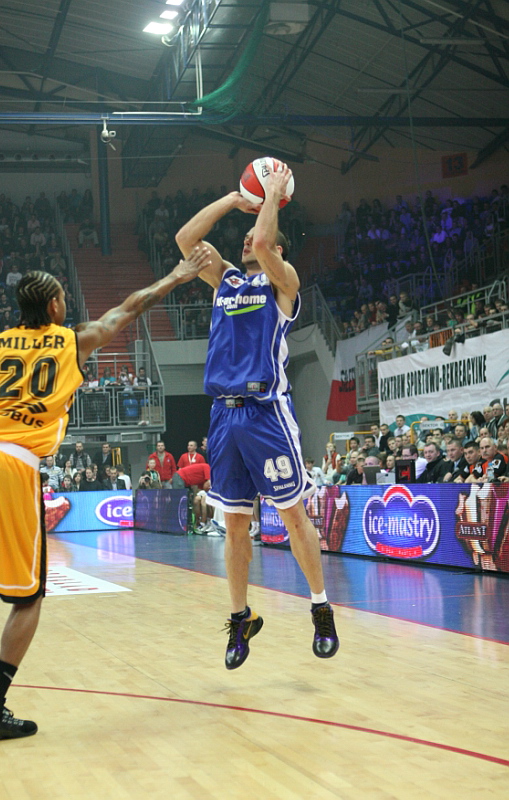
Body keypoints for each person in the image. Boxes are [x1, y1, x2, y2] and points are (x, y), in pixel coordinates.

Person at [0, 248, 211, 743]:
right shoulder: (73, 340)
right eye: (63, 297)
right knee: (28, 597)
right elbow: (131, 307)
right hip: (10, 463)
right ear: (55, 306)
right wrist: (177, 275)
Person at [176, 162, 339, 670]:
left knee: (292, 515)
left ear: (279, 251)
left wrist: (271, 194)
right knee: (235, 525)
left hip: (266, 413)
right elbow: (185, 240)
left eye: (255, 236)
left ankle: (320, 607)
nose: (248, 239)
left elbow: (266, 242)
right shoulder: (225, 279)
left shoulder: (283, 283)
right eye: (244, 236)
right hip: (223, 417)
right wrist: (233, 199)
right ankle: (240, 617)